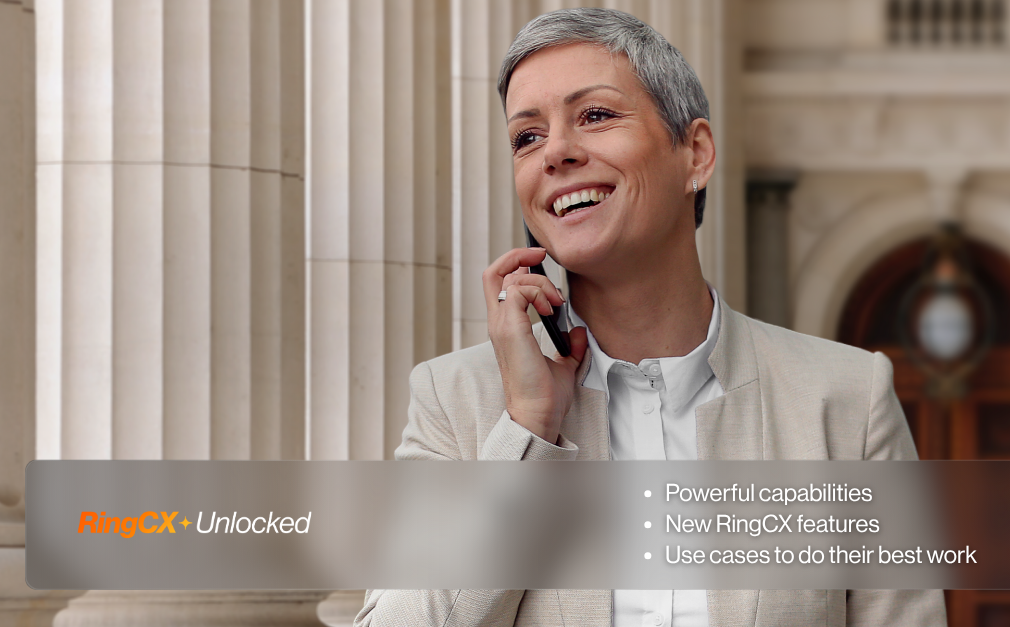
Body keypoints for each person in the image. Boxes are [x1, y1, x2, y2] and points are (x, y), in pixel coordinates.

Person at [357, 7, 947, 626]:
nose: (555, 151)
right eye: (526, 137)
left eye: (596, 115)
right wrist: (527, 430)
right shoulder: (454, 401)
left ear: (695, 152)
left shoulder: (848, 400)